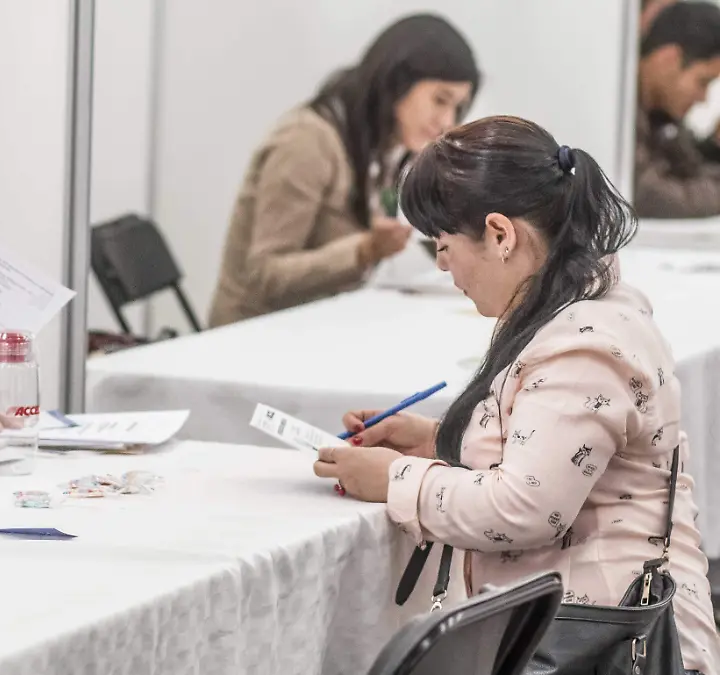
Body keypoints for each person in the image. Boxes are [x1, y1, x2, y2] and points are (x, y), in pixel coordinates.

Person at [312, 116, 719, 674]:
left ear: (501, 235)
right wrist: (439, 440)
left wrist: (393, 479)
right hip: (594, 627)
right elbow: (552, 453)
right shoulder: (580, 308)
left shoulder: (584, 347)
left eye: (444, 243)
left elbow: (524, 509)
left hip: (610, 644)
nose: (442, 264)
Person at [208, 13, 479, 328]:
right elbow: (263, 276)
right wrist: (364, 250)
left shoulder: (383, 148)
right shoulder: (306, 141)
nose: (447, 121)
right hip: (250, 340)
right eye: (440, 100)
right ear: (395, 83)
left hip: (315, 329)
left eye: (457, 107)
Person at [635, 1, 720, 218]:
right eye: (703, 82)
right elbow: (647, 195)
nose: (703, 99)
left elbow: (689, 171)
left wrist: (714, 145)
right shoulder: (617, 116)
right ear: (669, 59)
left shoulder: (661, 114)